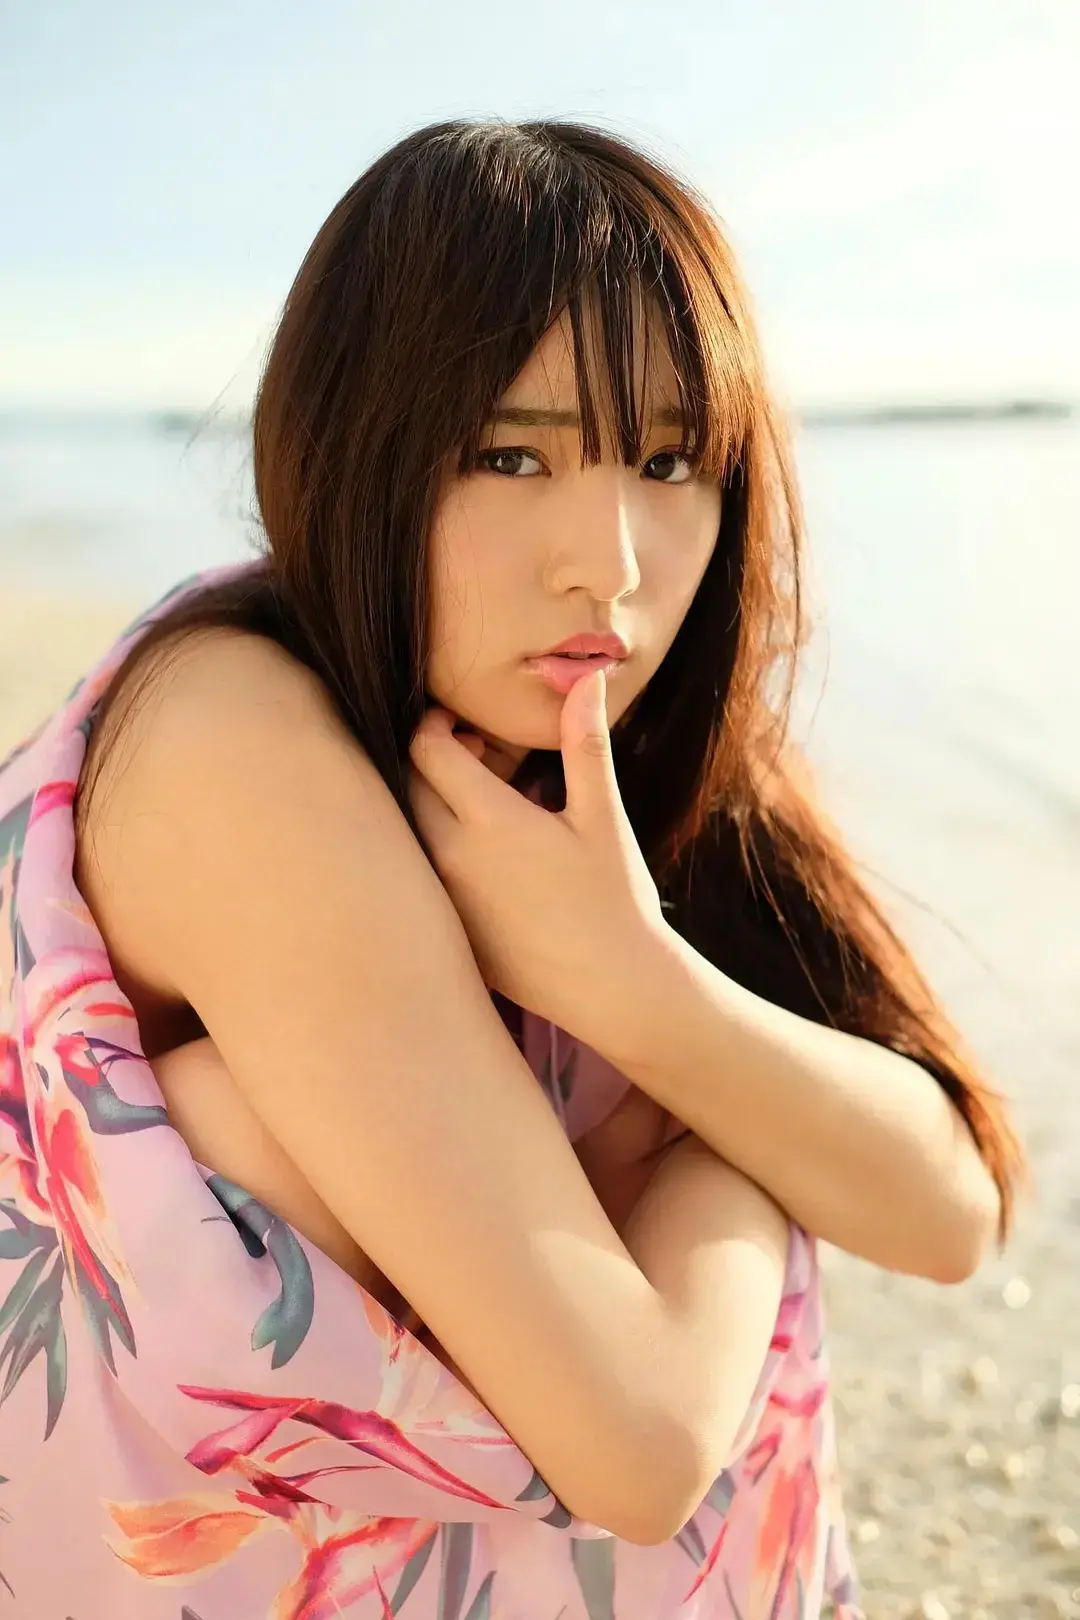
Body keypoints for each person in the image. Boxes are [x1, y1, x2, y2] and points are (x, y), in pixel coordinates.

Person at [0, 119, 1023, 1619]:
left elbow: (951, 1214)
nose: (608, 561)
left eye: (668, 460)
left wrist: (641, 986)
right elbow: (641, 1445)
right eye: (510, 454)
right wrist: (724, 1130)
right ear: (351, 448)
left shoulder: (626, 745)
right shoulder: (233, 742)